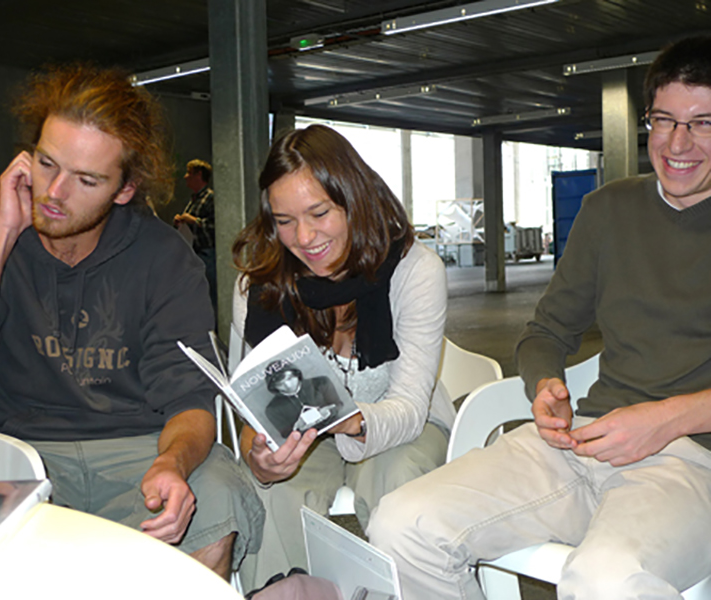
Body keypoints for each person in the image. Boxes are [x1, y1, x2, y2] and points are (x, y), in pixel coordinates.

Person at [369, 36, 711, 600]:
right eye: (664, 120)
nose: (678, 143)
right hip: (582, 441)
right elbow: (545, 332)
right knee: (402, 525)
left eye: (702, 123)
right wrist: (545, 384)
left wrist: (667, 419)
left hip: (692, 460)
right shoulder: (608, 211)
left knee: (606, 580)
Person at [0, 63, 262, 578]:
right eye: (47, 163)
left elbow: (191, 398)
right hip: (17, 452)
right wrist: (3, 234)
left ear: (125, 189)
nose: (54, 193)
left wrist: (173, 462)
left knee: (217, 496)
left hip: (137, 448)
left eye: (86, 179)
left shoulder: (164, 257)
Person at [231, 124, 453, 591]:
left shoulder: (413, 270)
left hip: (400, 425)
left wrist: (345, 418)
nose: (303, 237)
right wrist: (261, 459)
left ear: (354, 200)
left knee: (399, 483)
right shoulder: (259, 287)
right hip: (307, 437)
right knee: (267, 494)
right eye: (284, 220)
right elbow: (253, 407)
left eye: (319, 213)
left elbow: (410, 407)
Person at [174, 159, 216, 316]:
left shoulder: (210, 197)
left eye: (189, 173)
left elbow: (217, 226)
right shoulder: (194, 199)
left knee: (210, 297)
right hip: (195, 254)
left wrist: (194, 221)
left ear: (199, 175)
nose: (185, 177)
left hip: (208, 255)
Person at [264, 365, 341, 439]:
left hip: (338, 425)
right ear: (273, 387)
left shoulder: (321, 382)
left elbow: (339, 405)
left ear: (297, 374)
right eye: (280, 384)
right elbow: (286, 434)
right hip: (311, 441)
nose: (288, 385)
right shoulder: (272, 409)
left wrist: (330, 411)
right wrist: (298, 429)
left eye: (290, 378)